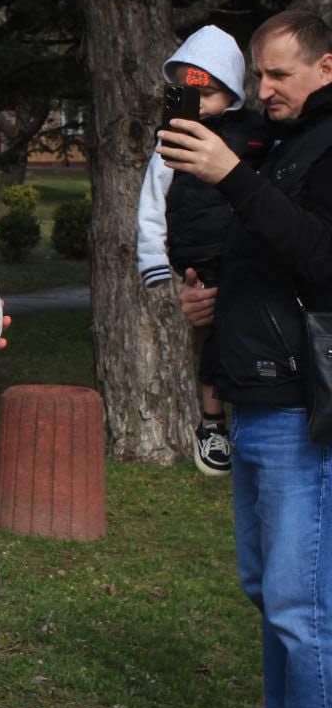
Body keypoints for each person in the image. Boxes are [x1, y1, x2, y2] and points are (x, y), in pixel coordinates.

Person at [162, 9, 332, 708]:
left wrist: (233, 175)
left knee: (304, 607)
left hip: (304, 406)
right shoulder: (286, 143)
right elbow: (275, 259)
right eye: (258, 74)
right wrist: (214, 295)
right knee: (271, 591)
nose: (263, 88)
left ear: (328, 67)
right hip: (256, 395)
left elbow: (323, 259)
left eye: (280, 74)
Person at [135, 25, 271, 475]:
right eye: (184, 91)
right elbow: (152, 200)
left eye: (207, 92)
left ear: (229, 92)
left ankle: (240, 414)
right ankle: (213, 422)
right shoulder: (171, 139)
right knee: (210, 333)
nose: (196, 102)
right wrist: (153, 259)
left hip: (245, 247)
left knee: (235, 330)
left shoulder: (255, 133)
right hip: (197, 253)